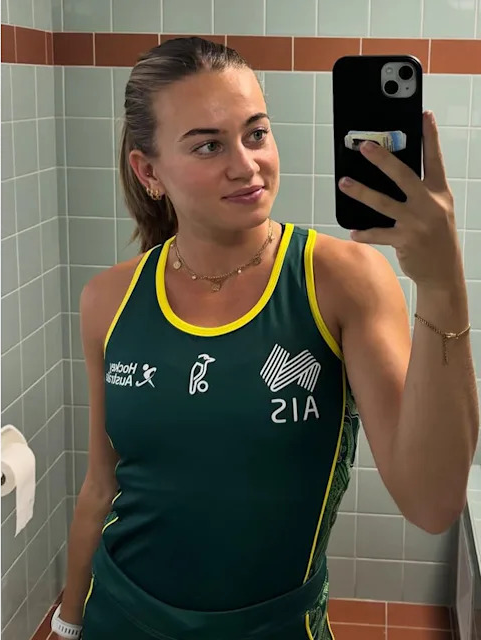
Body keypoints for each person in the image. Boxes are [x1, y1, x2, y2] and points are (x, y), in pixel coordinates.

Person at [51, 37, 479, 640]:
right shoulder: (108, 300)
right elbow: (101, 484)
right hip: (119, 615)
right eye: (208, 145)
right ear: (149, 171)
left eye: (256, 134)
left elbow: (433, 502)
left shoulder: (339, 280)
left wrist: (442, 284)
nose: (246, 165)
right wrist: (70, 622)